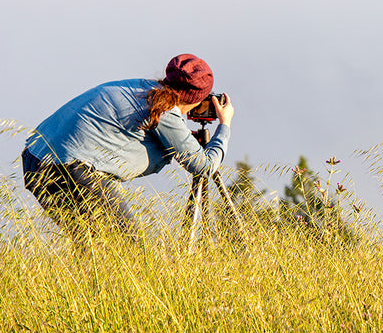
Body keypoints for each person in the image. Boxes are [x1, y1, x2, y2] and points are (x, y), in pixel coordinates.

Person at [22, 53, 234, 242]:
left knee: (92, 248)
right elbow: (204, 166)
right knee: (127, 250)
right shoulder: (165, 110)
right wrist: (224, 125)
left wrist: (183, 140)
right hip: (70, 168)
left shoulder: (141, 88)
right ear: (197, 97)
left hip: (34, 159)